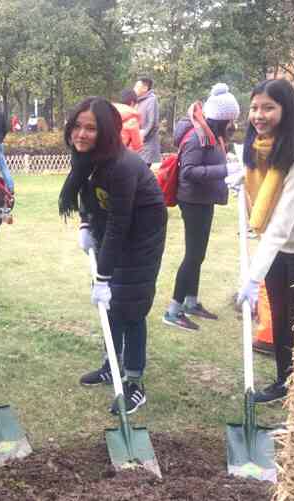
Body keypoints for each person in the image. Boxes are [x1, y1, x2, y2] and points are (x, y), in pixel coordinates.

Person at [59, 97, 167, 414]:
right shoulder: (86, 158)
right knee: (109, 305)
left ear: (105, 131)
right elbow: (87, 195)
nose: (81, 134)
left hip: (142, 236)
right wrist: (84, 223)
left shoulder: (121, 165)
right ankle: (111, 364)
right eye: (77, 126)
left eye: (90, 128)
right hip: (112, 227)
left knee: (130, 307)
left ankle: (134, 383)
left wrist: (104, 276)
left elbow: (122, 224)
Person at [237, 79, 294, 403]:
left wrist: (252, 276)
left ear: (285, 110)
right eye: (255, 107)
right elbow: (260, 188)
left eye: (268, 108)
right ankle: (282, 382)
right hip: (278, 249)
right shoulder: (265, 147)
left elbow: (281, 225)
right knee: (278, 316)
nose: (258, 115)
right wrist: (240, 176)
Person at [163, 83, 241, 331]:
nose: (232, 125)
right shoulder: (198, 136)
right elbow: (188, 172)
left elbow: (209, 159)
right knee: (193, 256)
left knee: (199, 255)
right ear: (221, 117)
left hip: (203, 199)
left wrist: (226, 161)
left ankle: (191, 302)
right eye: (230, 120)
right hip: (193, 201)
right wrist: (225, 169)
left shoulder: (212, 133)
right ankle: (173, 311)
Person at [133, 77, 161, 166]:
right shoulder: (138, 101)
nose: (134, 89)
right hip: (138, 145)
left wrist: (143, 136)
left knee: (140, 174)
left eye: (137, 86)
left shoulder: (151, 100)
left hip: (146, 146)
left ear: (145, 88)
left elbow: (152, 123)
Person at [112, 89, 142, 153]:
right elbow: (137, 145)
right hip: (119, 154)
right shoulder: (132, 119)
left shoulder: (107, 111)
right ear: (132, 103)